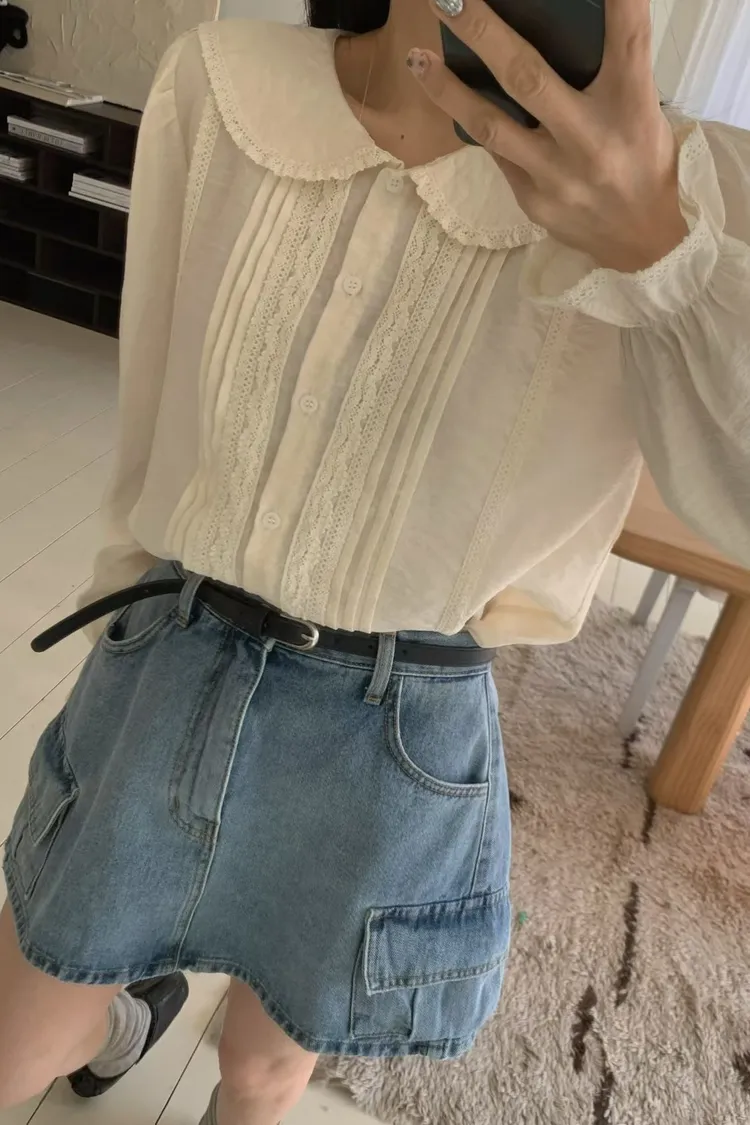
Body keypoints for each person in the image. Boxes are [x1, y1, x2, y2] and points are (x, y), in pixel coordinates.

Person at [2, 1, 749, 1122]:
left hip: (399, 724)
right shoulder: (225, 84)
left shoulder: (698, 186)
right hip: (176, 651)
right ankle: (121, 1020)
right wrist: (120, 627)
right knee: (23, 1027)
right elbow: (153, 408)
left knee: (263, 1071)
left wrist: (657, 247)